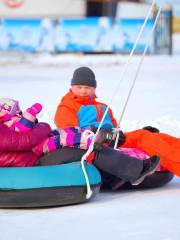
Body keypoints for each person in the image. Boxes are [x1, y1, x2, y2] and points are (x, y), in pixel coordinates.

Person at [54, 66, 180, 178]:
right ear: (71, 87)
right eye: (79, 87)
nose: (83, 91)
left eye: (87, 87)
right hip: (95, 144)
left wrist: (117, 133)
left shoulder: (103, 106)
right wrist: (99, 135)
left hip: (114, 140)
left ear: (94, 88)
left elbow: (116, 128)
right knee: (144, 138)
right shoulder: (67, 107)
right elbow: (70, 134)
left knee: (156, 136)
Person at [0, 97, 159, 185]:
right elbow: (28, 139)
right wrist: (42, 127)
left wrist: (40, 128)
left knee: (79, 139)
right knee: (87, 150)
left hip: (37, 153)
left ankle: (114, 178)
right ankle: (136, 171)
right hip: (35, 160)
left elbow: (31, 133)